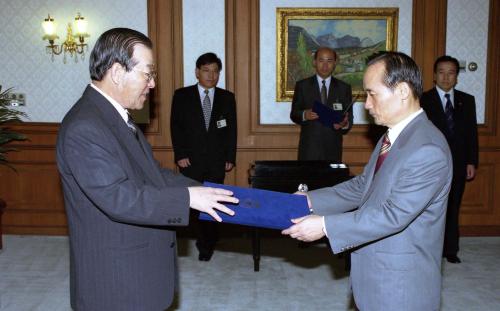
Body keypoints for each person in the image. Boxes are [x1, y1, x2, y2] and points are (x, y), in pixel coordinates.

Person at [56, 28, 238, 311]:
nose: (152, 84)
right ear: (117, 72)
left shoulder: (116, 117)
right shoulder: (85, 127)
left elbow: (153, 173)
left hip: (137, 268)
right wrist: (189, 199)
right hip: (116, 279)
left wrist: (199, 188)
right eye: (147, 74)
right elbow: (119, 197)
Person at [282, 52, 453, 310]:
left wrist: (326, 226)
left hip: (400, 285)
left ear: (403, 91)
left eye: (372, 94)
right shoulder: (392, 136)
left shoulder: (427, 149)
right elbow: (364, 185)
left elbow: (392, 215)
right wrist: (311, 200)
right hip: (376, 275)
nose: (368, 105)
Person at [170, 52, 237, 261]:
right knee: (193, 202)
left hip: (217, 161)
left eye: (216, 71)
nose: (211, 75)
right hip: (190, 160)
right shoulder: (181, 95)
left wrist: (230, 157)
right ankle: (198, 238)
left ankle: (207, 244)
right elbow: (176, 127)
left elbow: (231, 130)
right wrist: (180, 154)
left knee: (214, 202)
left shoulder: (227, 97)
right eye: (207, 70)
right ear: (197, 72)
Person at [421, 55, 479, 264]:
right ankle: (429, 249)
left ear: (456, 77)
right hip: (431, 165)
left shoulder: (467, 100)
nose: (446, 77)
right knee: (430, 208)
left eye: (451, 73)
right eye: (442, 73)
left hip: (459, 164)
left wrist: (472, 161)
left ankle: (451, 249)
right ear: (435, 76)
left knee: (454, 206)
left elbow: (472, 133)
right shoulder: (422, 100)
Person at [290, 46, 353, 162]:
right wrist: (304, 114)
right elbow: (294, 114)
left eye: (329, 61)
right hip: (309, 149)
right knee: (307, 180)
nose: (325, 65)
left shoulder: (344, 88)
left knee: (332, 180)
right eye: (321, 60)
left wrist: (344, 124)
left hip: (333, 148)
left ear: (335, 63)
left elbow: (349, 118)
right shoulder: (302, 86)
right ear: (314, 62)